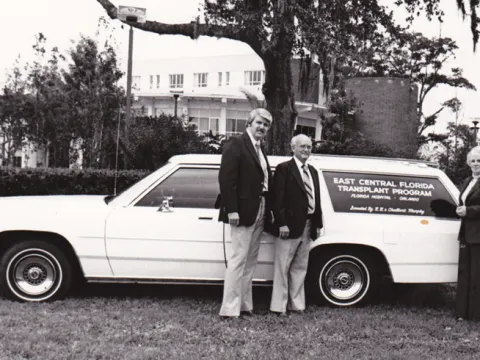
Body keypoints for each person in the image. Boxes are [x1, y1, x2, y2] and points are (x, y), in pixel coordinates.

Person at [218, 108, 273, 319]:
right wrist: (232, 209)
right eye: (259, 122)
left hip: (260, 208)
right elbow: (226, 179)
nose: (262, 127)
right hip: (241, 211)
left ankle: (244, 305)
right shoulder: (236, 144)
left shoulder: (260, 148)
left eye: (266, 125)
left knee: (251, 261)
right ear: (249, 123)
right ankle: (230, 309)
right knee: (238, 260)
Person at [269, 134, 323, 315]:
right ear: (293, 148)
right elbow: (277, 199)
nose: (307, 150)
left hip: (308, 225)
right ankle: (279, 307)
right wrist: (281, 224)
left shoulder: (313, 171)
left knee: (300, 267)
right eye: (303, 147)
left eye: (309, 147)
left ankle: (297, 305)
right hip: (289, 227)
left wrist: (317, 222)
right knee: (282, 267)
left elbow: (317, 199)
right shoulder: (284, 168)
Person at [456, 145, 480, 320]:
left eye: (479, 161)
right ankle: (462, 313)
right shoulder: (466, 182)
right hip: (465, 233)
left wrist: (469, 211)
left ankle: (475, 314)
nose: (476, 164)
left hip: (478, 234)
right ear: (468, 163)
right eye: (473, 161)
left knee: (477, 274)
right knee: (464, 272)